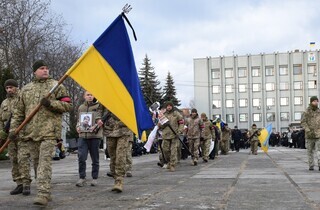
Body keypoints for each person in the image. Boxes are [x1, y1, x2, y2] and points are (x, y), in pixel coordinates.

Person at [8, 60, 72, 206]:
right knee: (37, 164)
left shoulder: (56, 86)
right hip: (31, 133)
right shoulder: (26, 89)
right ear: (35, 71)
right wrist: (13, 131)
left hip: (49, 132)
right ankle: (45, 191)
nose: (45, 70)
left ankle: (42, 193)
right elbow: (18, 112)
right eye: (42, 68)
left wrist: (51, 104)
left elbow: (68, 105)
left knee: (44, 163)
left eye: (47, 68)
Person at [0, 79, 36, 196]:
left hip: (22, 135)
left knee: (23, 159)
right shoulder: (4, 103)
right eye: (7, 88)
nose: (9, 89)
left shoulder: (22, 98)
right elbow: (1, 120)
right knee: (14, 159)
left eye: (11, 87)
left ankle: (26, 183)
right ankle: (19, 183)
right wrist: (2, 133)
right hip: (10, 137)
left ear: (16, 87)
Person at [75, 91, 104, 187]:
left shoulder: (98, 106)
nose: (90, 96)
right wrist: (78, 127)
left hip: (95, 136)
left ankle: (94, 178)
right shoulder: (81, 108)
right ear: (84, 96)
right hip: (83, 136)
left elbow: (100, 120)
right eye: (88, 95)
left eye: (91, 94)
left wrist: (96, 125)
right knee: (81, 157)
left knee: (95, 158)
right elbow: (79, 120)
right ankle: (82, 177)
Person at [103, 109, 133, 192]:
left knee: (121, 156)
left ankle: (119, 181)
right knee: (113, 157)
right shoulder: (106, 99)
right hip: (110, 130)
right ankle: (115, 176)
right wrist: (98, 119)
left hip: (123, 130)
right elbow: (99, 110)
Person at [157, 101, 184, 171]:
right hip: (166, 135)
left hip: (174, 134)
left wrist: (180, 131)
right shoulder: (163, 115)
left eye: (170, 106)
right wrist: (161, 125)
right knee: (165, 149)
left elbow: (181, 122)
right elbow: (160, 125)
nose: (169, 107)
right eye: (167, 106)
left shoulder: (176, 114)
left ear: (172, 107)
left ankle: (172, 164)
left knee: (173, 150)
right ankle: (168, 161)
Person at [301, 96, 320, 171]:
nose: (316, 102)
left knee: (318, 150)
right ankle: (311, 165)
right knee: (310, 151)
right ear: (311, 102)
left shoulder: (319, 112)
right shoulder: (306, 112)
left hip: (318, 134)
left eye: (317, 101)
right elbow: (303, 122)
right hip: (309, 135)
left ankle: (319, 164)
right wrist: (307, 129)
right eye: (314, 101)